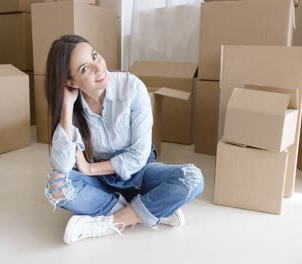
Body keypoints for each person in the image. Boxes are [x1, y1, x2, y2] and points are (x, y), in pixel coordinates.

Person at [43, 34, 204, 245]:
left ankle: (110, 222)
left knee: (193, 178)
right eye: (84, 69)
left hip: (139, 174)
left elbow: (138, 156)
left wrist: (90, 169)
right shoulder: (73, 106)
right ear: (71, 81)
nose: (99, 68)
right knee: (56, 186)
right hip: (104, 183)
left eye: (95, 56)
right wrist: (66, 106)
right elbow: (62, 166)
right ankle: (150, 211)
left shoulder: (133, 88)